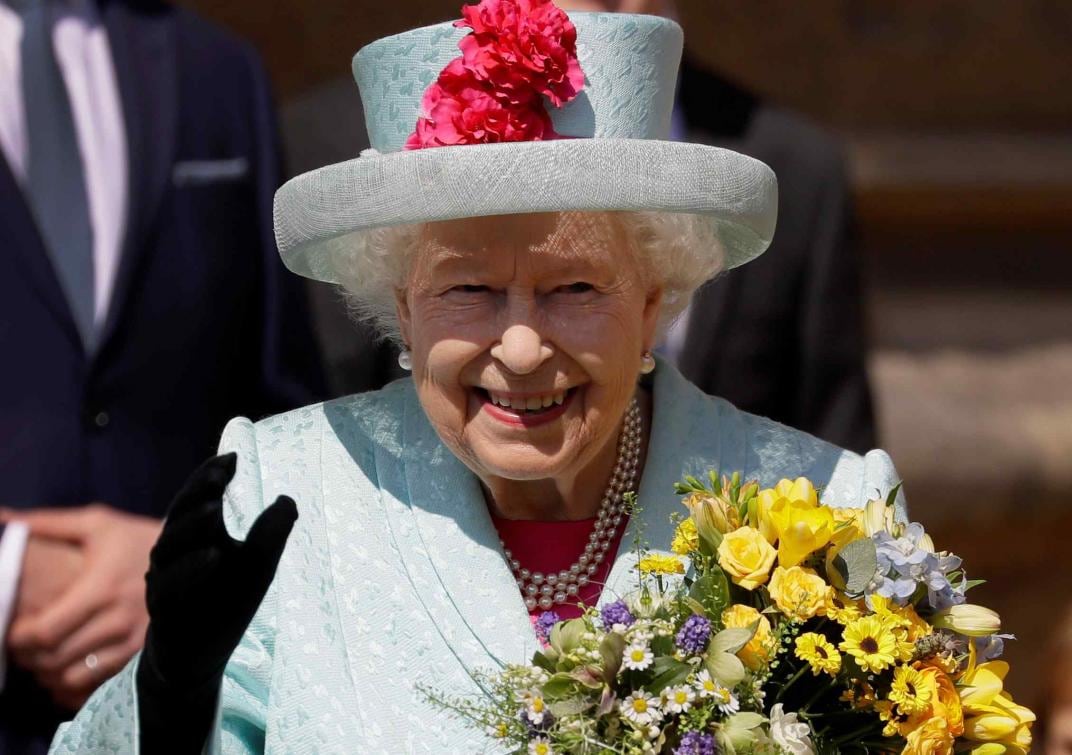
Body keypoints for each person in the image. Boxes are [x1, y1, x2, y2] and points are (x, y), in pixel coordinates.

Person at [50, 5, 905, 752]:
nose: (523, 348)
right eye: (469, 289)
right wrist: (164, 696)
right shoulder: (281, 498)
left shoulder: (824, 513)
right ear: (403, 308)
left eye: (574, 288)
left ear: (654, 305)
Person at [0, 0, 324, 749]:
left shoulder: (218, 71)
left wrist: (195, 576)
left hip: (185, 716)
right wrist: (12, 576)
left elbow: (285, 395)